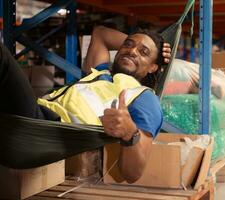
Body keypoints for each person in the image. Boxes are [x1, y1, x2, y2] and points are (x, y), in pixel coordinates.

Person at [0, 26, 171, 183]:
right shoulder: (99, 73)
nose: (133, 51)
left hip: (42, 135)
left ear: (153, 67)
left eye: (143, 53)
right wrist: (147, 43)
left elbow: (133, 174)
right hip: (29, 117)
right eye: (128, 45)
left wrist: (130, 133)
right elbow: (100, 34)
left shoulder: (145, 98)